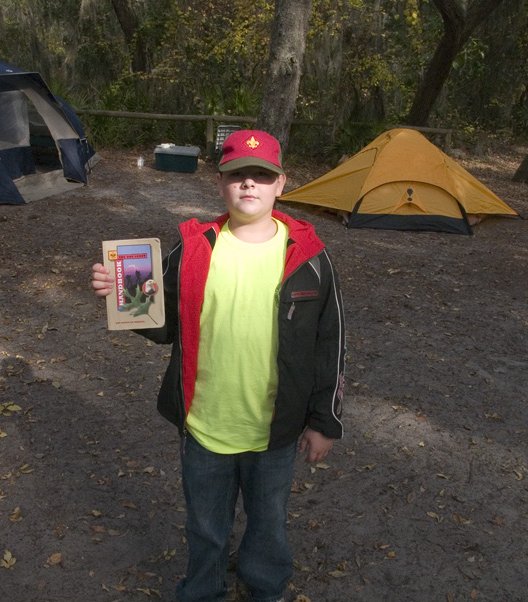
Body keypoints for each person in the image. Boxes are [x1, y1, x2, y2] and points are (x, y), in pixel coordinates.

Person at [91, 130, 345, 602]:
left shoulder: (310, 258)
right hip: (205, 425)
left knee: (268, 524)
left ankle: (265, 587)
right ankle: (203, 589)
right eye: (237, 176)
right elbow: (159, 321)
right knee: (206, 525)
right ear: (220, 184)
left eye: (261, 176)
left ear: (281, 184)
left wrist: (324, 421)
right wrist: (119, 296)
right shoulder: (193, 248)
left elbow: (329, 344)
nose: (249, 185)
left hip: (276, 429)